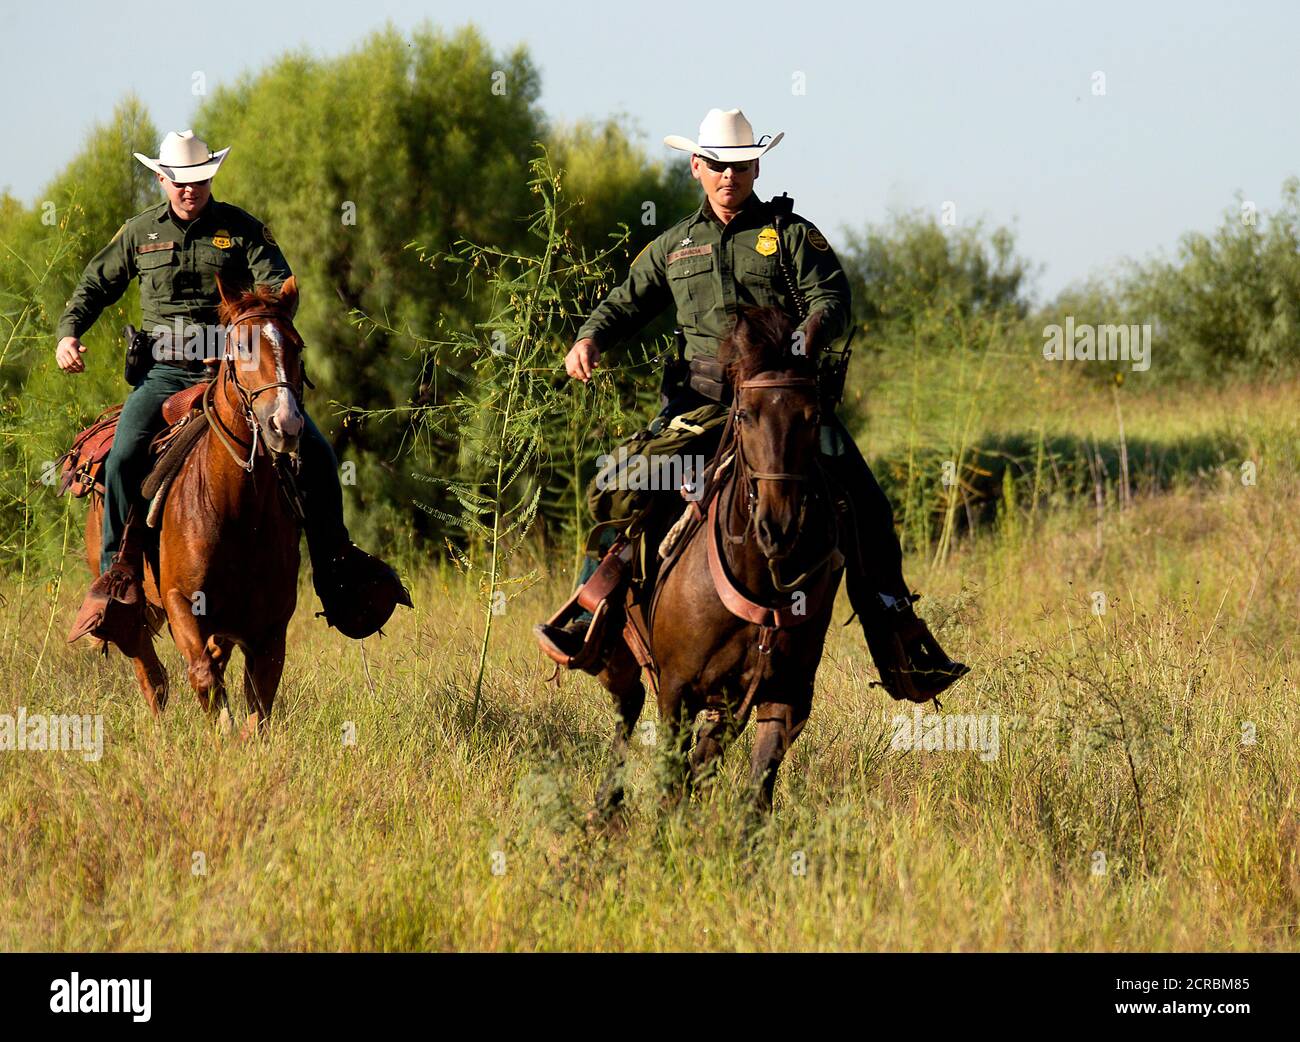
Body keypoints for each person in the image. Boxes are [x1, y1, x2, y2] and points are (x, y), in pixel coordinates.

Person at [535, 108, 967, 703]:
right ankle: (592, 617)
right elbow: (625, 302)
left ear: (756, 165)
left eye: (738, 165)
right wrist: (589, 338)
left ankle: (900, 640)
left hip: (781, 410)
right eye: (716, 165)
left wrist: (808, 336)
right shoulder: (673, 246)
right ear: (696, 167)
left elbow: (833, 296)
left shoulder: (791, 234)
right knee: (617, 484)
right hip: (700, 407)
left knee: (865, 502)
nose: (727, 176)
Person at [59, 130, 409, 647]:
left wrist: (246, 327)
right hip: (164, 375)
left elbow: (278, 285)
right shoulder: (138, 233)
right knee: (123, 454)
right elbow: (96, 285)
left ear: (210, 177)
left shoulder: (241, 229)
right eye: (178, 181)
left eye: (198, 180)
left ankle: (336, 570)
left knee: (316, 452)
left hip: (238, 374)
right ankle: (117, 578)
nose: (188, 190)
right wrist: (69, 333)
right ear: (162, 179)